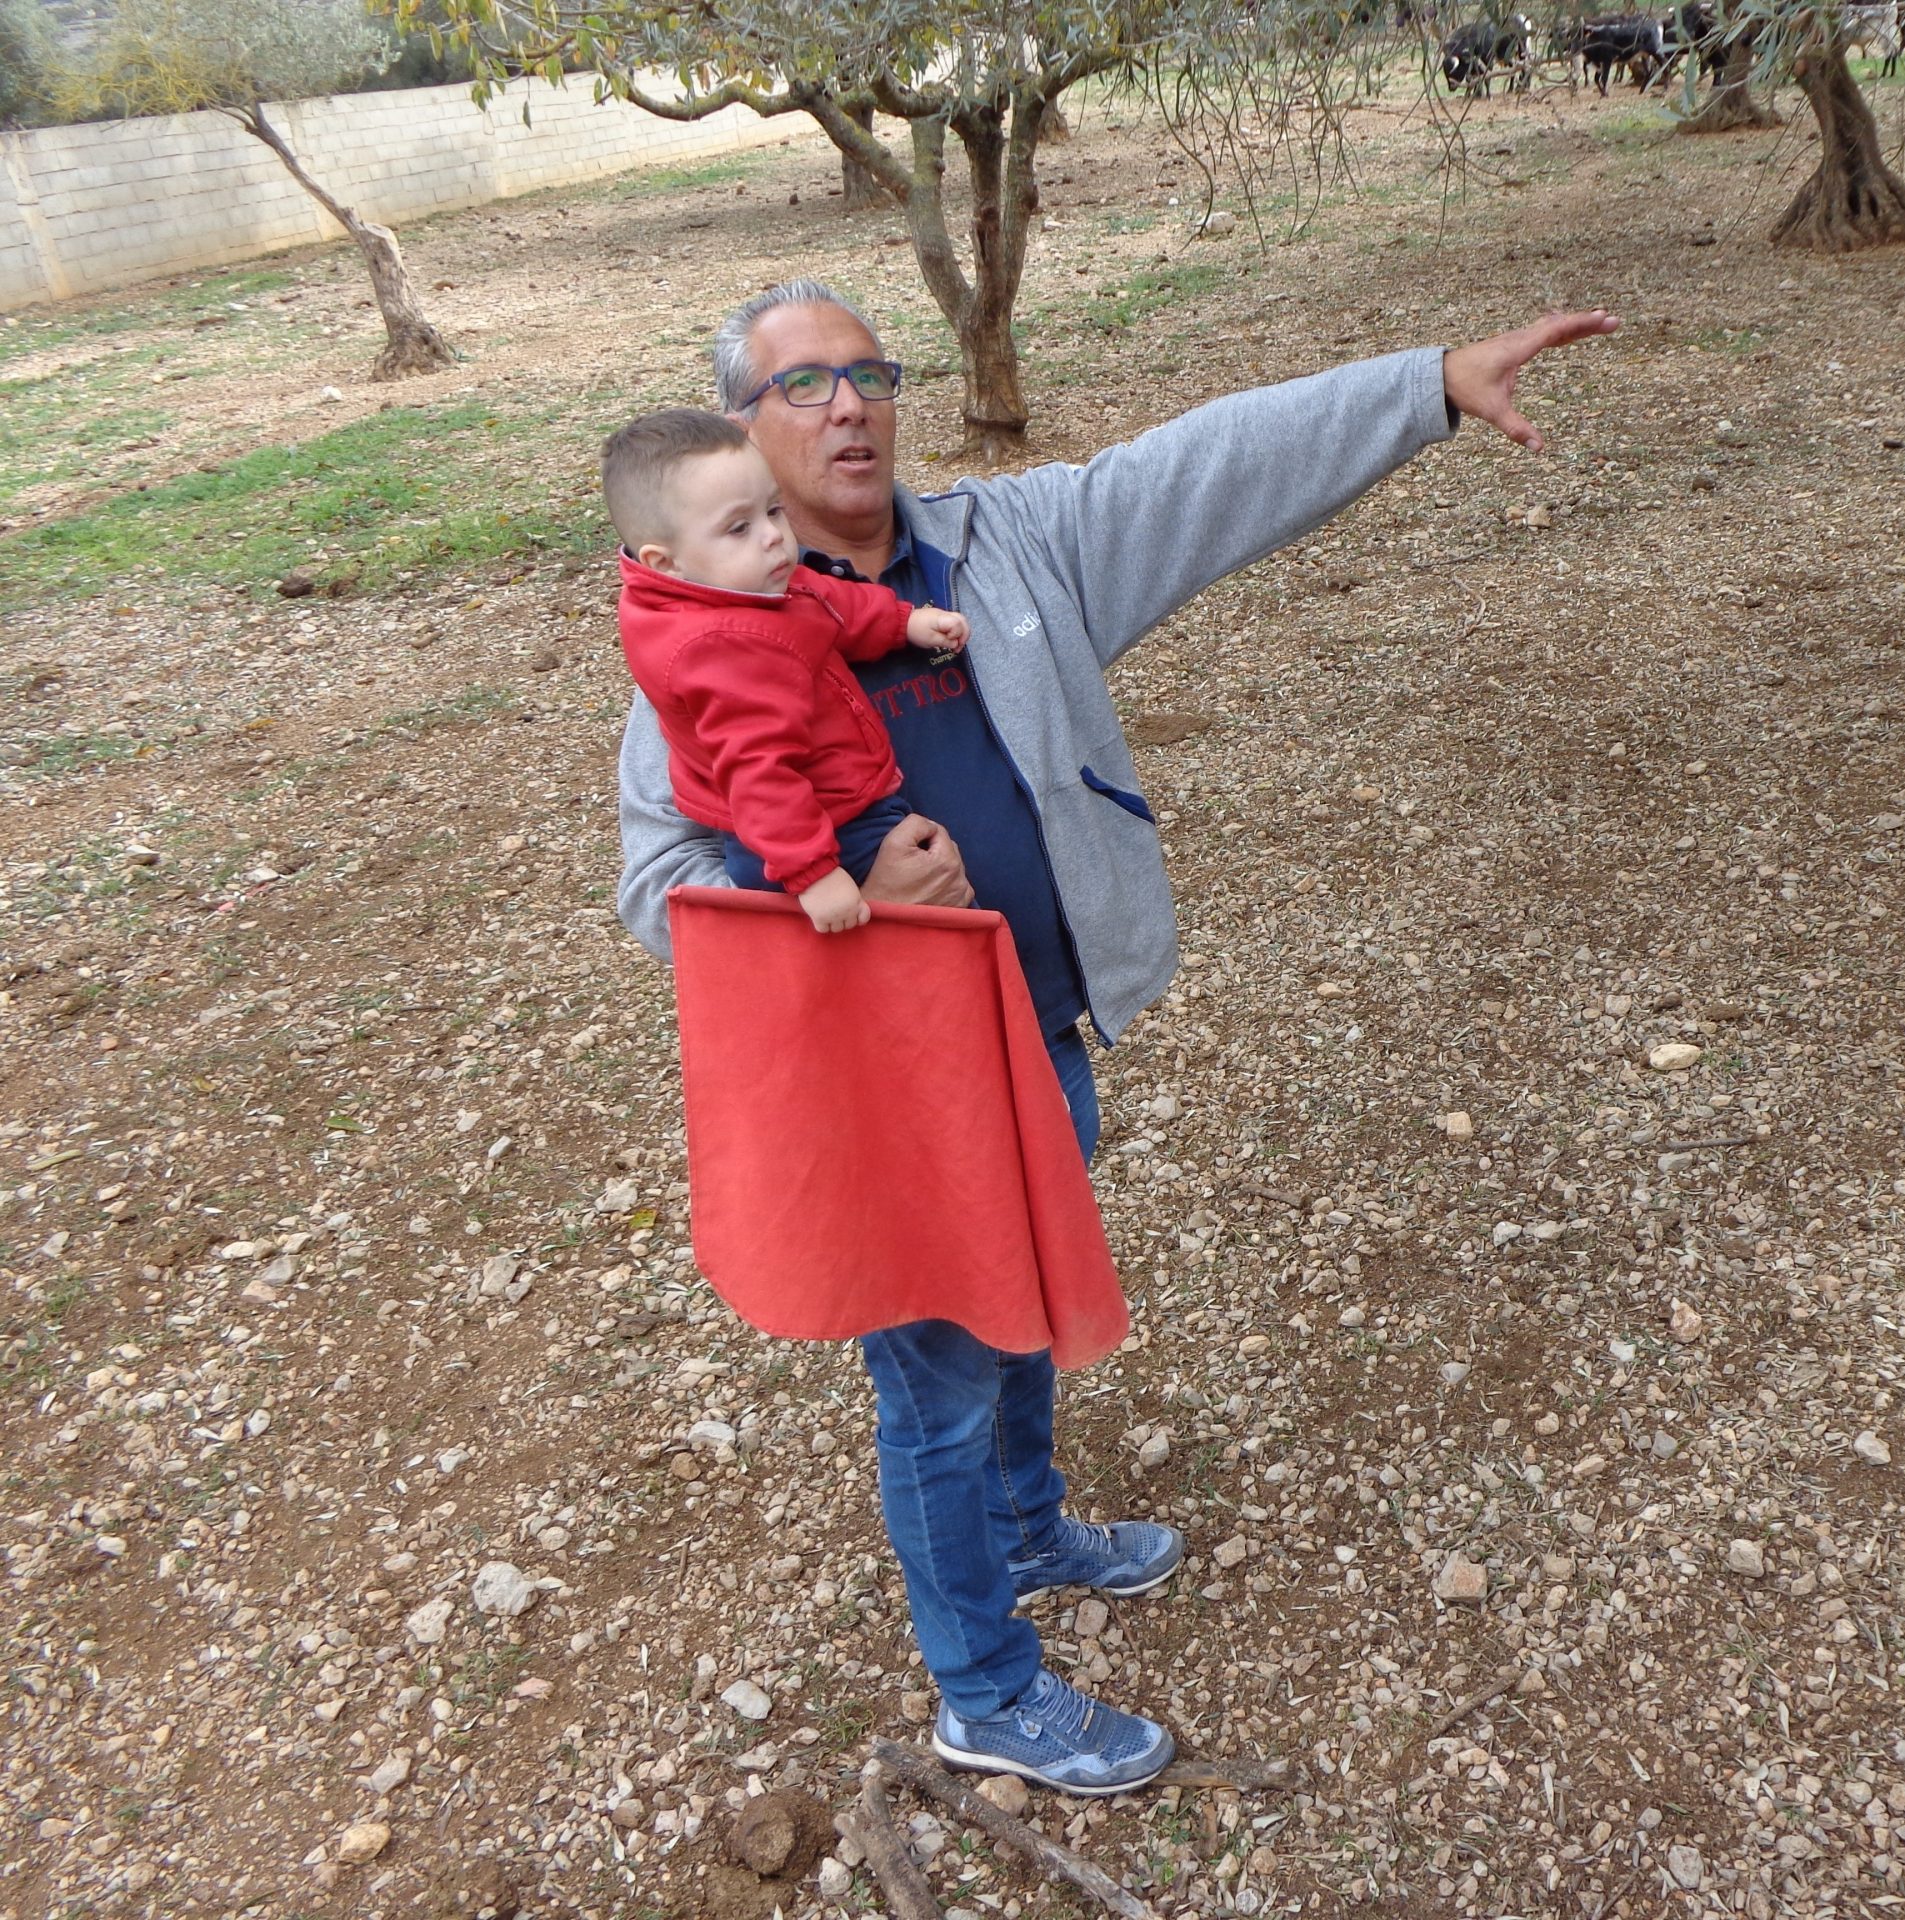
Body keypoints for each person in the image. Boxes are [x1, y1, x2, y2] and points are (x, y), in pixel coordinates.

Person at [617, 278, 1617, 1794]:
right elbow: (658, 891)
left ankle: (1028, 1530)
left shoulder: (1004, 543)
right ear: (741, 431)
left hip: (1037, 1028)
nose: (849, 405)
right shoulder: (712, 636)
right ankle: (981, 1688)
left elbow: (1203, 468)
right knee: (938, 1387)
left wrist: (1424, 384)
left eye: (870, 372)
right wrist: (846, 897)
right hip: (891, 1091)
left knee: (1024, 1300)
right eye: (802, 384)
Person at [602, 407, 970, 933]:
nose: (773, 535)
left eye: (773, 510)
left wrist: (902, 621)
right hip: (822, 830)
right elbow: (759, 772)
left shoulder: (737, 584)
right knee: (932, 925)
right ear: (666, 562)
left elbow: (821, 598)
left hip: (824, 816)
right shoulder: (721, 654)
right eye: (739, 527)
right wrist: (813, 872)